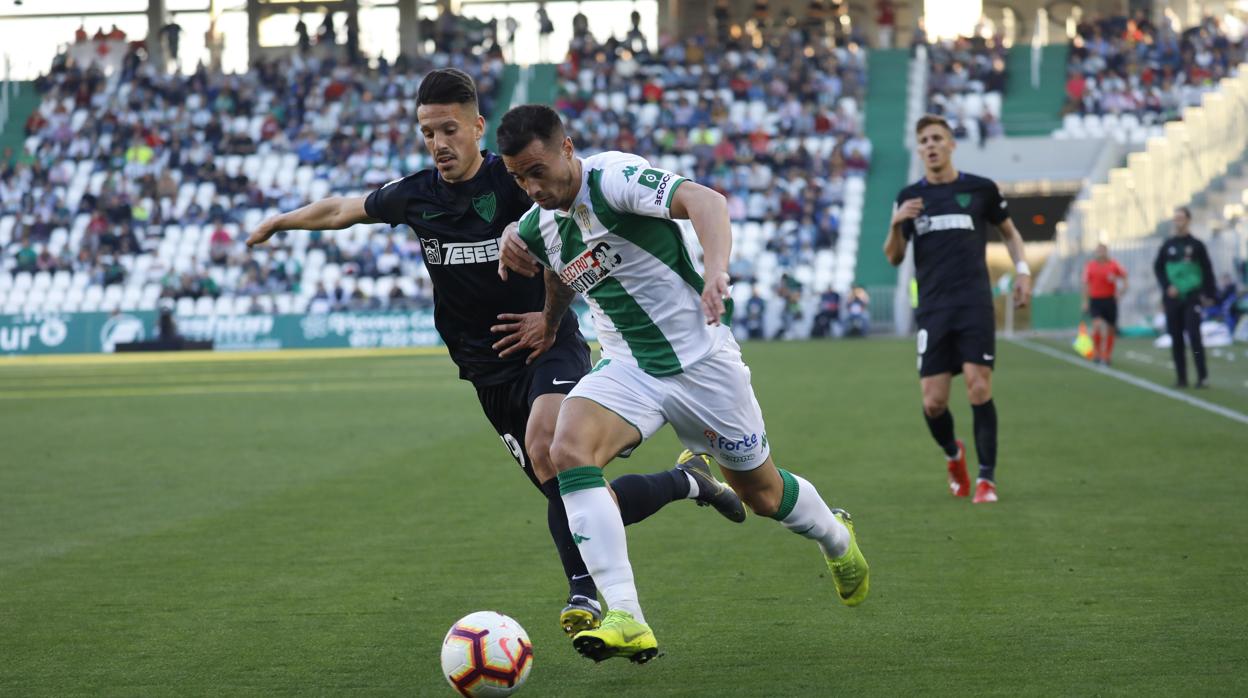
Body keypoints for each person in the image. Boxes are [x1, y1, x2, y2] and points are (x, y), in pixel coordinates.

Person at [246, 69, 745, 638]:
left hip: (547, 348)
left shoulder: (515, 181)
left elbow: (573, 211)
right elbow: (342, 210)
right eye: (427, 131)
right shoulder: (417, 196)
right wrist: (281, 222)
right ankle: (689, 483)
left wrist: (550, 317)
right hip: (487, 373)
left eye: (450, 130)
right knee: (576, 494)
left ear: (478, 127)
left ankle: (585, 594)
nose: (438, 143)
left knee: (553, 449)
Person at [495, 104, 870, 664]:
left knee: (762, 495)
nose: (531, 187)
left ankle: (837, 539)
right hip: (629, 368)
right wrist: (550, 321)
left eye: (537, 171)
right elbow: (555, 265)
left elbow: (706, 201)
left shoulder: (612, 179)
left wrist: (717, 271)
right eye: (518, 178)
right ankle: (626, 614)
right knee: (565, 447)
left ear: (567, 149)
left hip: (703, 365)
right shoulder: (537, 223)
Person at [884, 114, 1031, 505]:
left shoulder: (980, 189)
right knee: (933, 402)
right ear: (919, 151)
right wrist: (897, 224)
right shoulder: (909, 198)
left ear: (951, 145)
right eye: (924, 141)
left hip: (974, 304)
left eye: (937, 138)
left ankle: (986, 480)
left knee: (979, 386)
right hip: (933, 309)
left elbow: (1011, 234)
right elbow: (895, 257)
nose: (930, 145)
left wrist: (1023, 271)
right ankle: (954, 455)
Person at [1153, 207, 1217, 388]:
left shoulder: (1197, 245)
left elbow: (1207, 269)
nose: (1178, 221)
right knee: (1176, 336)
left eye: (1181, 218)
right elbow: (1158, 268)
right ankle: (1181, 377)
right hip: (1173, 298)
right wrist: (1167, 287)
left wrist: (1209, 294)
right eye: (1175, 218)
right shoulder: (1167, 246)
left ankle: (1202, 376)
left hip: (1192, 296)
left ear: (1188, 220)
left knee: (1194, 335)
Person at [1082, 243, 1126, 365]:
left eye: (1103, 250)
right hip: (1096, 300)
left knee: (1110, 329)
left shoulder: (1114, 265)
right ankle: (1097, 352)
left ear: (1107, 252)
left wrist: (1120, 292)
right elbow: (1086, 284)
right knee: (1097, 325)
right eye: (1098, 250)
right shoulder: (1090, 266)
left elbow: (1125, 278)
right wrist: (1085, 301)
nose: (1100, 253)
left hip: (1110, 300)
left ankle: (1107, 355)